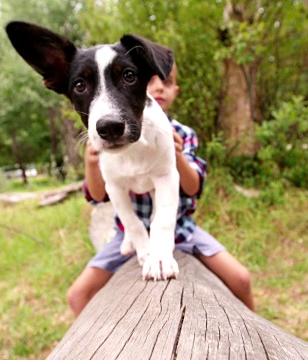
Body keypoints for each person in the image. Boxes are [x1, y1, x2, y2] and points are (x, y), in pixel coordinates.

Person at [67, 63, 255, 316]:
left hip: (180, 229)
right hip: (127, 235)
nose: (158, 87)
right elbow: (99, 196)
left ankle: (257, 337)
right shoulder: (113, 130)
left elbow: (193, 187)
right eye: (151, 79)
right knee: (77, 294)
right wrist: (91, 162)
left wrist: (174, 154)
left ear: (176, 90)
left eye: (166, 82)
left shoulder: (183, 134)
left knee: (241, 279)